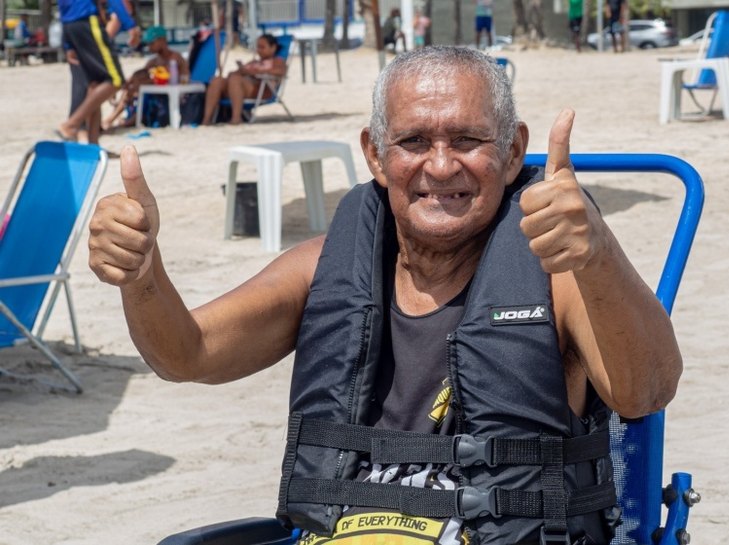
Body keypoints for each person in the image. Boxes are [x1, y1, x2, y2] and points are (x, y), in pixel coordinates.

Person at [88, 47, 682, 545]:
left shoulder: (561, 273)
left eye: (470, 139)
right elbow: (187, 353)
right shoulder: (326, 265)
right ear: (375, 154)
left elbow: (647, 391)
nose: (442, 166)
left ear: (510, 151)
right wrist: (142, 273)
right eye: (414, 141)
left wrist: (599, 252)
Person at [56, 0, 133, 141]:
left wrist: (67, 44)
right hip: (87, 23)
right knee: (115, 80)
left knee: (95, 85)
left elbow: (62, 8)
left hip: (70, 27)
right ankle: (71, 125)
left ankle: (94, 147)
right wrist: (131, 26)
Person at [102, 26, 189, 130]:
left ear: (162, 40)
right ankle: (113, 118)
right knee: (134, 82)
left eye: (152, 43)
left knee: (138, 88)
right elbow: (137, 76)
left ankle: (115, 120)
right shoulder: (153, 61)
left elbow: (178, 79)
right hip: (157, 94)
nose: (149, 47)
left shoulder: (175, 58)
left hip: (172, 97)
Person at [200, 34, 286, 125]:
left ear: (273, 48)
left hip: (260, 89)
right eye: (258, 47)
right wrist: (241, 71)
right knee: (217, 81)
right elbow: (234, 74)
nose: (259, 50)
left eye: (262, 47)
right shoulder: (254, 61)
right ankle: (206, 119)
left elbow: (280, 72)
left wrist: (253, 72)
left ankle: (236, 118)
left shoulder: (277, 61)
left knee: (235, 80)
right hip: (240, 87)